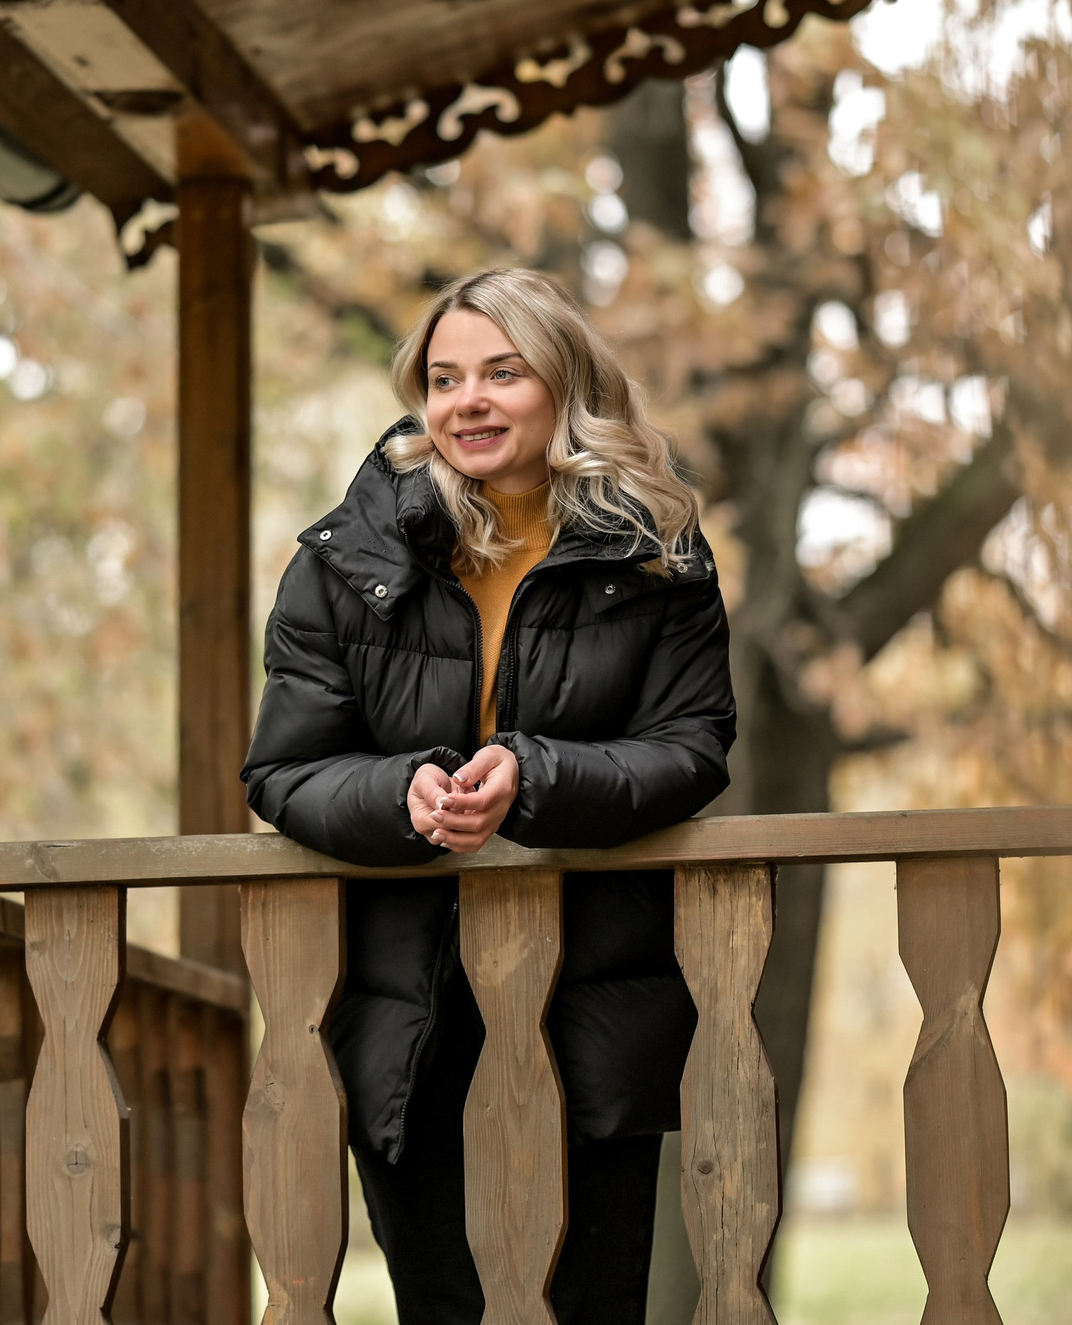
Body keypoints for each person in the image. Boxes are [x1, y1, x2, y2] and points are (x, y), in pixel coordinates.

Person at [243, 267, 736, 1325]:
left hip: (593, 989)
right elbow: (282, 769)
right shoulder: (346, 562)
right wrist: (401, 795)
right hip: (406, 999)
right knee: (443, 1302)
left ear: (566, 384)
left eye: (502, 372)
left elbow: (692, 745)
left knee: (591, 1301)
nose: (467, 399)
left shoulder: (661, 555)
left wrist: (536, 771)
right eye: (444, 376)